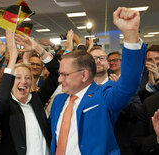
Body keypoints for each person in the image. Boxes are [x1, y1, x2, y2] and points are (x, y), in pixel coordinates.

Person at [49, 7, 146, 155]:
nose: (59, 79)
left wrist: (130, 34)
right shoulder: (58, 101)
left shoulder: (103, 95)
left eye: (64, 74)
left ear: (84, 75)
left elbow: (128, 85)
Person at [0, 28, 59, 155]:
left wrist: (38, 48)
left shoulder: (37, 99)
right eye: (18, 77)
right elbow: (2, 97)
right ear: (10, 81)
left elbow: (56, 72)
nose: (23, 81)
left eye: (27, 78)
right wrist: (12, 58)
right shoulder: (5, 105)